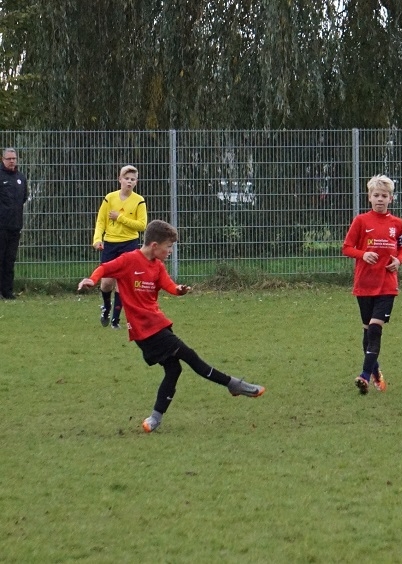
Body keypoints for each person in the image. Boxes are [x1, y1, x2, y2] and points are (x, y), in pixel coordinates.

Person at [77, 220, 265, 433]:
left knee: (174, 369)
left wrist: (178, 290)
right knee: (191, 357)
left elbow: (168, 285)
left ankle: (154, 419)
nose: (170, 251)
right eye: (168, 246)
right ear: (154, 245)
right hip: (145, 330)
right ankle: (233, 384)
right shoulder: (129, 260)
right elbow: (105, 268)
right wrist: (92, 280)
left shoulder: (157, 266)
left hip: (158, 325)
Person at [342, 174, 402, 395]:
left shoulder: (397, 224)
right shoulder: (361, 221)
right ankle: (376, 372)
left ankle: (364, 375)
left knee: (375, 329)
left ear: (391, 198)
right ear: (369, 197)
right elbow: (347, 248)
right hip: (364, 284)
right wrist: (363, 254)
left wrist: (398, 261)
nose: (380, 199)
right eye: (376, 195)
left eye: (384, 196)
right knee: (367, 331)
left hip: (387, 286)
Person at [92, 165, 147, 328]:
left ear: (136, 182)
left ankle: (115, 320)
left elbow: (142, 225)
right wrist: (97, 239)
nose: (129, 182)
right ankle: (106, 307)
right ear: (120, 180)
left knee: (123, 282)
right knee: (106, 282)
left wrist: (120, 218)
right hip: (110, 243)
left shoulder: (139, 201)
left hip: (130, 243)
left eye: (132, 179)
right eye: (126, 178)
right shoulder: (110, 198)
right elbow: (101, 221)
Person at [0, 148, 28, 300]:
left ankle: (7, 291)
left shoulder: (20, 178)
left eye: (14, 158)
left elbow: (24, 198)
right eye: (9, 158)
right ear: (2, 159)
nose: (12, 161)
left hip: (15, 226)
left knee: (9, 260)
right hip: (1, 226)